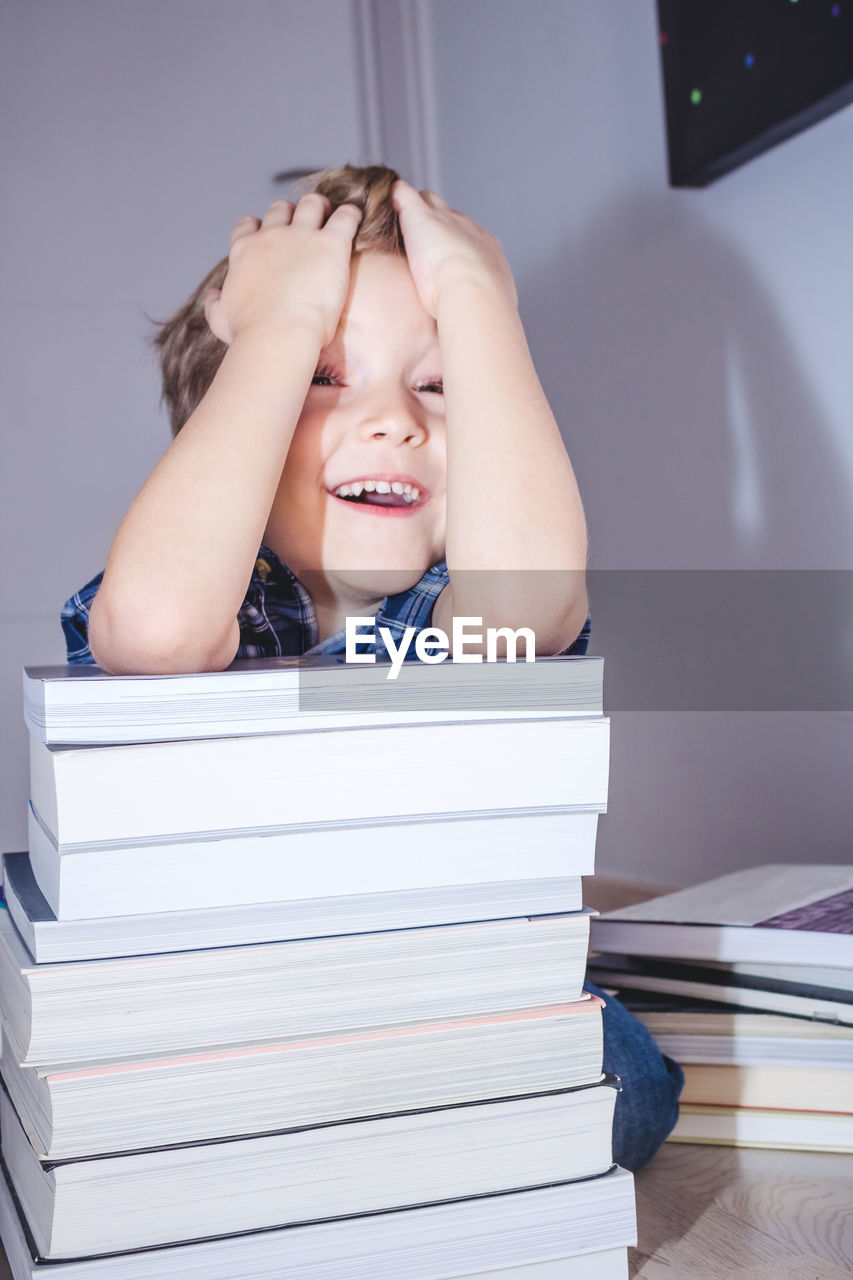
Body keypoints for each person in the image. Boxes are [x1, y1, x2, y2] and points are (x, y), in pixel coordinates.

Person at [62, 164, 682, 1167]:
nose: (397, 418)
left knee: (622, 1083)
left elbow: (525, 613)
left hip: (446, 995)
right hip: (205, 1000)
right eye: (319, 372)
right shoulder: (215, 599)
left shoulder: (454, 616)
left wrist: (481, 301)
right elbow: (156, 630)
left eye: (439, 382)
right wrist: (274, 323)